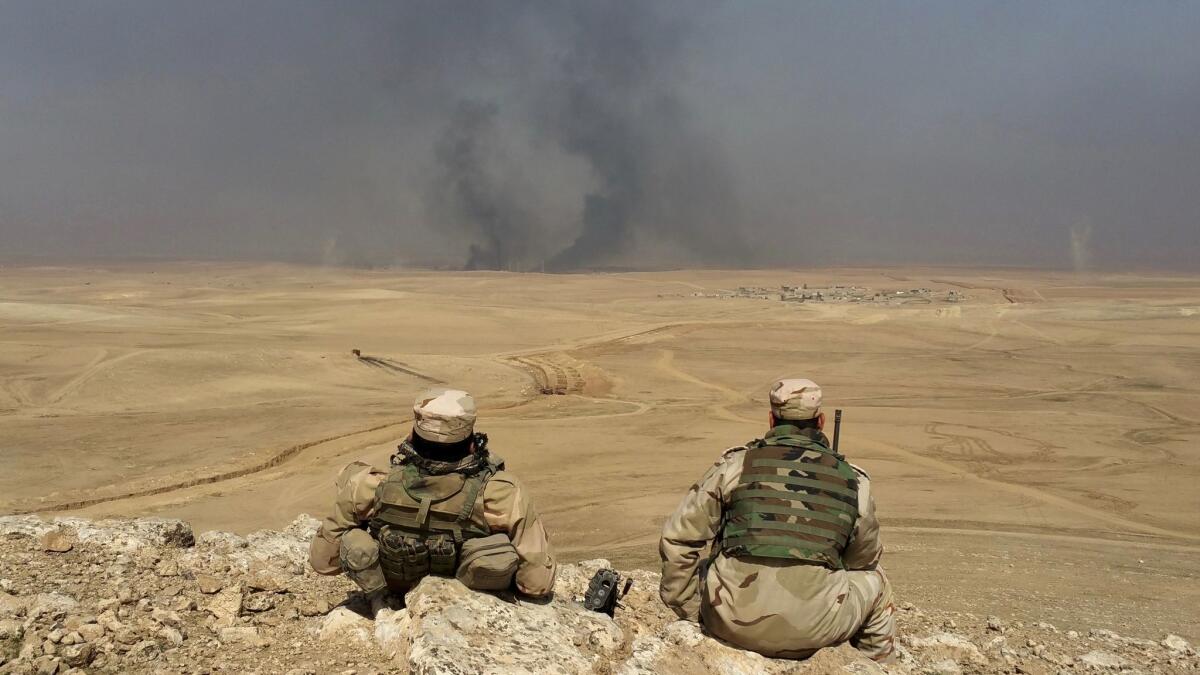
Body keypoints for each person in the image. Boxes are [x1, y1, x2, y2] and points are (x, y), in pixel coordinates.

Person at [658, 378, 895, 661]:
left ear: (771, 419)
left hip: (729, 623)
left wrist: (694, 610)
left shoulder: (736, 466)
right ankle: (876, 666)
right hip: (816, 630)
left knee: (710, 566)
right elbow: (863, 561)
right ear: (820, 422)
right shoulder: (853, 481)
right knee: (876, 580)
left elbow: (679, 539)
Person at [309, 387, 557, 615]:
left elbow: (323, 562)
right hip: (469, 604)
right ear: (472, 444)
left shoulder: (370, 485)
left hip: (392, 597)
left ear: (412, 436)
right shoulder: (502, 493)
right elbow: (536, 584)